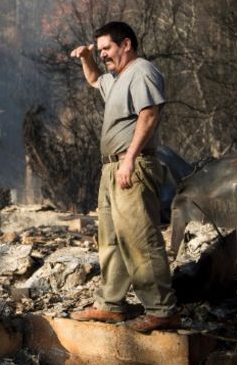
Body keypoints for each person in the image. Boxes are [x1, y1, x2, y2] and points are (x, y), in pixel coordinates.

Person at [68, 21, 179, 332]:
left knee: (139, 237)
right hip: (111, 168)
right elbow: (93, 81)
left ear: (126, 44)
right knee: (112, 239)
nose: (103, 54)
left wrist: (129, 160)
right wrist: (86, 57)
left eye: (107, 48)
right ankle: (111, 305)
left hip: (132, 164)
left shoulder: (142, 71)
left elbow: (150, 114)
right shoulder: (117, 79)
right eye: (100, 49)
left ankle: (161, 309)